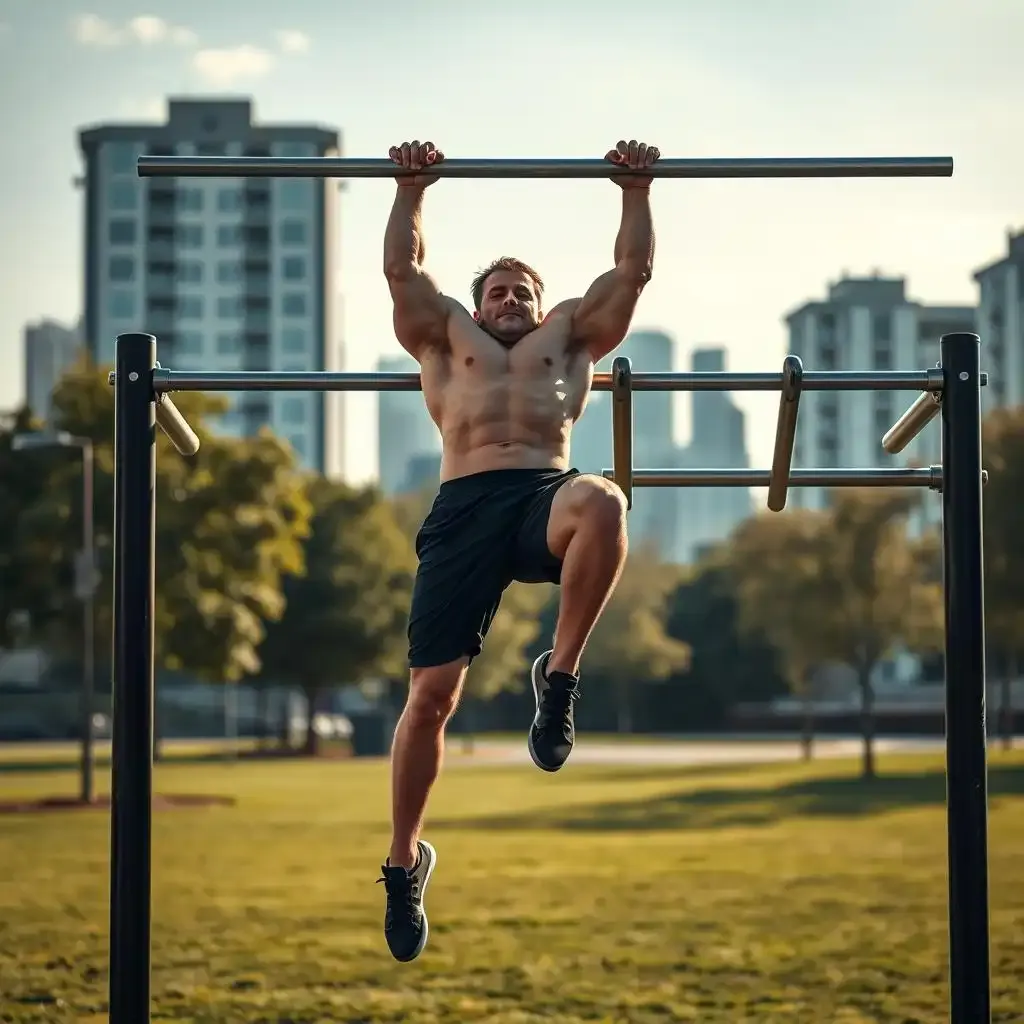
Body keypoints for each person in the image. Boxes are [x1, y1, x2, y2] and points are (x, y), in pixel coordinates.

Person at [377, 138, 660, 962]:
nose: (510, 298)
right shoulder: (442, 337)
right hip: (464, 508)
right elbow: (402, 271)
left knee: (604, 501)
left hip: (544, 495)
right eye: (497, 289)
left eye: (522, 291)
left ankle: (560, 676)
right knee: (430, 698)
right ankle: (403, 864)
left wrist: (633, 189)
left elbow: (632, 272)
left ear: (541, 303)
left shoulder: (570, 340)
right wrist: (411, 188)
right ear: (476, 301)